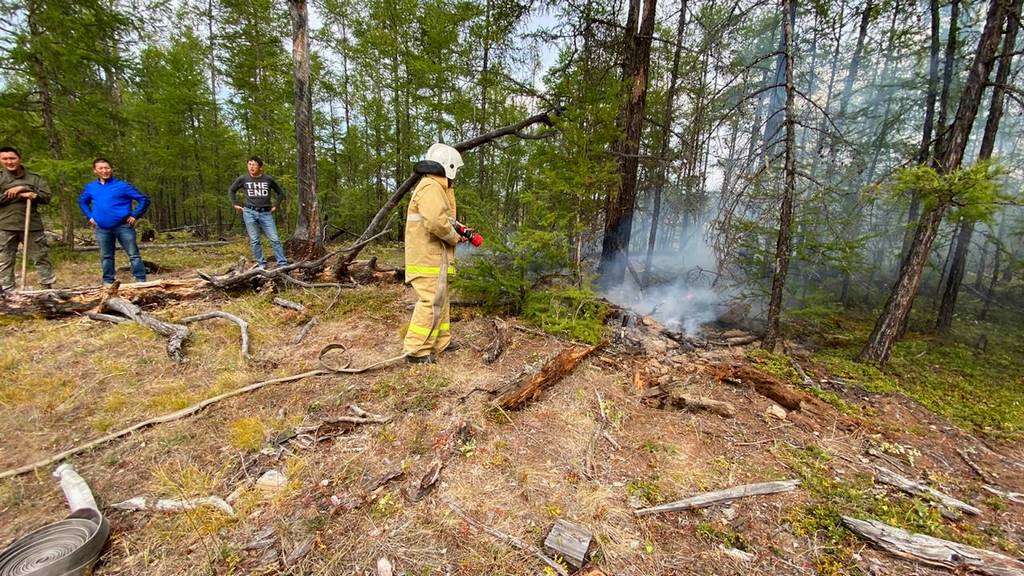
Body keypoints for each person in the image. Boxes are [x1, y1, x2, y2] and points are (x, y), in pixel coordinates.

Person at [402, 143, 467, 364]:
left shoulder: (438, 188)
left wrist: (460, 230)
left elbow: (445, 219)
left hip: (435, 259)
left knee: (441, 300)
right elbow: (436, 223)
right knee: (430, 302)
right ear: (447, 167)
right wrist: (454, 237)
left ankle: (441, 342)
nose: (455, 176)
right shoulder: (430, 186)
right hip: (428, 259)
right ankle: (416, 351)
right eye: (455, 171)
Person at [78, 158, 151, 285]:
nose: (104, 171)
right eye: (101, 168)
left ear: (111, 169)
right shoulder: (91, 187)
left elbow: (143, 199)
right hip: (102, 228)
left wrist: (135, 215)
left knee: (133, 254)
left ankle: (141, 280)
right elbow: (82, 201)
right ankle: (108, 282)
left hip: (123, 226)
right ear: (95, 171)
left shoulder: (122, 186)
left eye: (107, 168)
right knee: (106, 256)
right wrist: (90, 216)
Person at [0, 146, 55, 291]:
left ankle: (47, 290)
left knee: (41, 258)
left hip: (32, 225)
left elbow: (47, 197)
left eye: (12, 158)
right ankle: (8, 292)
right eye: (4, 159)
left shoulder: (34, 178)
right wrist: (18, 193)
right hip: (5, 225)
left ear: (19, 159)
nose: (9, 162)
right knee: (5, 261)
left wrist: (26, 189)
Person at [228, 156, 288, 269]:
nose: (251, 167)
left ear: (260, 167)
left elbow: (280, 193)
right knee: (255, 240)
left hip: (266, 213)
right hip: (249, 212)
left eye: (254, 164)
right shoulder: (243, 179)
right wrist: (235, 203)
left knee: (274, 239)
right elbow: (232, 190)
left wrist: (275, 205)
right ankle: (261, 264)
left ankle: (282, 263)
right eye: (249, 164)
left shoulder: (268, 179)